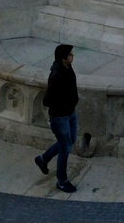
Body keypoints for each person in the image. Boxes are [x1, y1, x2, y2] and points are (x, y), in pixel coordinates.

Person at [35, 44, 79, 193]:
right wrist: (63, 106)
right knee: (65, 148)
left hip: (70, 113)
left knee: (70, 140)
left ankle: (43, 159)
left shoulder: (68, 68)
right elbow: (47, 100)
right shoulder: (56, 75)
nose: (73, 56)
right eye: (70, 54)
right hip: (60, 117)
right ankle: (61, 181)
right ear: (63, 58)